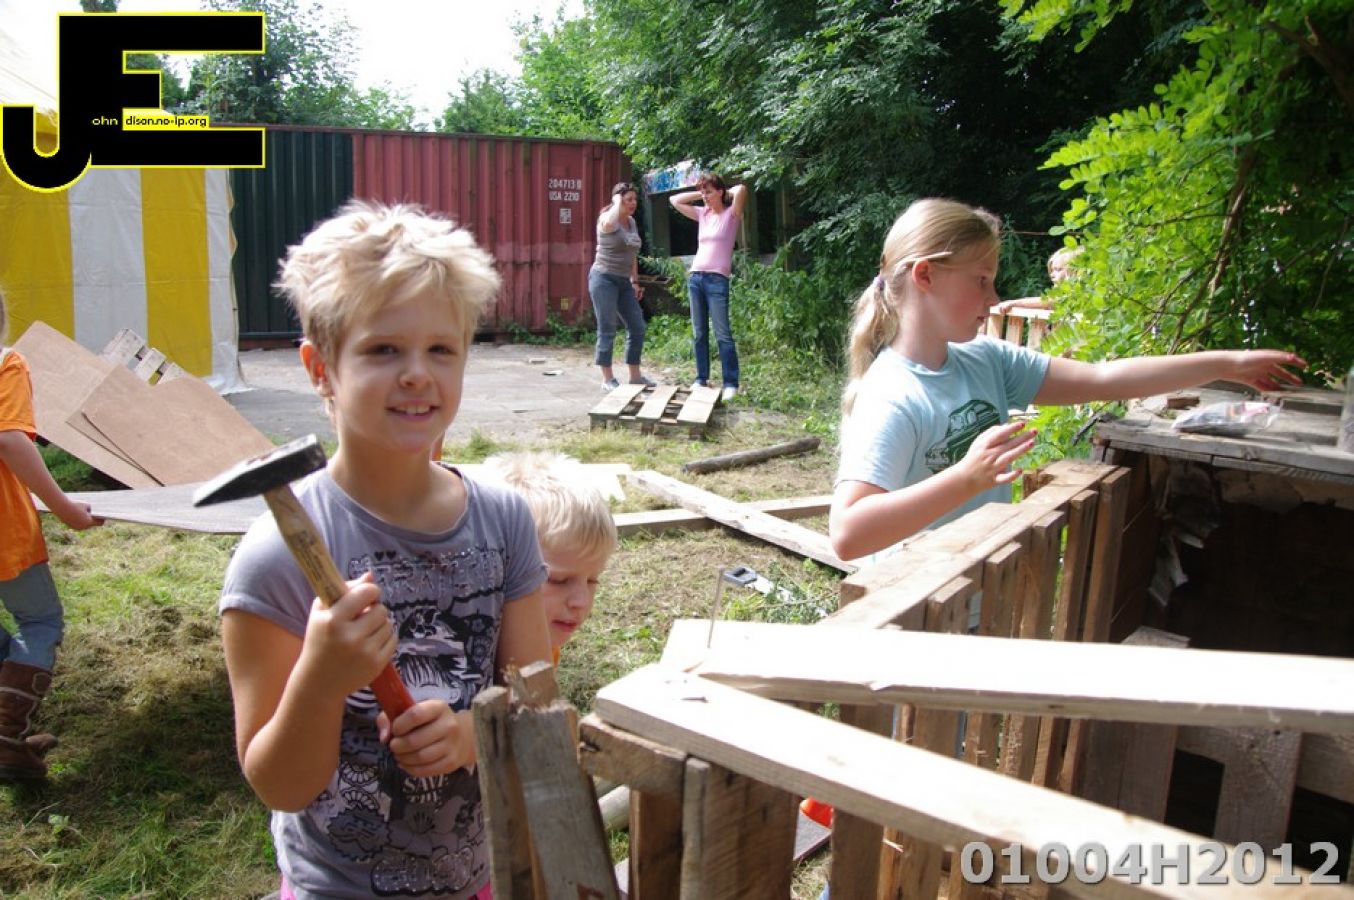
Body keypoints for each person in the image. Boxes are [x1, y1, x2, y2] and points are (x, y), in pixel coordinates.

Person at [218, 201, 552, 899]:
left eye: (441, 350)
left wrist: (471, 732)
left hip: (475, 877)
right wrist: (321, 676)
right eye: (383, 349)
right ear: (320, 368)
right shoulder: (275, 559)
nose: (417, 374)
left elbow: (536, 698)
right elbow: (280, 785)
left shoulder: (504, 522)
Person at [829, 198, 1306, 562]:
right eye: (981, 279)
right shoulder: (891, 394)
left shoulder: (986, 360)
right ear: (925, 276)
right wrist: (965, 479)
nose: (994, 299)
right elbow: (849, 534)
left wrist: (1227, 363)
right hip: (913, 614)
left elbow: (1103, 378)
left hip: (975, 594)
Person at [0, 287, 102, 781]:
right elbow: (9, 439)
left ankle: (9, 738)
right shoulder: (6, 363)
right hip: (4, 531)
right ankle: (6, 739)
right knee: (39, 622)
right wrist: (64, 508)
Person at [484, 451, 618, 663]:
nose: (581, 601)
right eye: (558, 580)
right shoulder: (473, 664)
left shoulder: (543, 645)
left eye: (592, 580)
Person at [670, 174, 749, 402]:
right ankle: (701, 378)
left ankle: (731, 383)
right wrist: (702, 193)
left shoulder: (731, 214)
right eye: (703, 192)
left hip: (717, 280)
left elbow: (742, 189)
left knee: (722, 333)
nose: (705, 196)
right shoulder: (702, 214)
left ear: (721, 192)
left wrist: (723, 192)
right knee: (699, 332)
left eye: (709, 192)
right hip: (696, 278)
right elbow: (675, 201)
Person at [589, 182, 654, 392]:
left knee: (637, 326)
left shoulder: (631, 222)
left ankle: (635, 376)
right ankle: (608, 379)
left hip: (624, 281)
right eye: (628, 200)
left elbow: (632, 253)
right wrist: (616, 201)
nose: (633, 203)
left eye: (635, 199)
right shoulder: (606, 218)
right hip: (603, 279)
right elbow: (609, 223)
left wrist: (635, 281)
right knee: (607, 327)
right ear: (618, 200)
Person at [993, 245, 1084, 314]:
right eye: (1052, 270)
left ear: (1075, 271)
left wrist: (1013, 303)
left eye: (1058, 269)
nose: (1052, 275)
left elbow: (1048, 301)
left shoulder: (1080, 293)